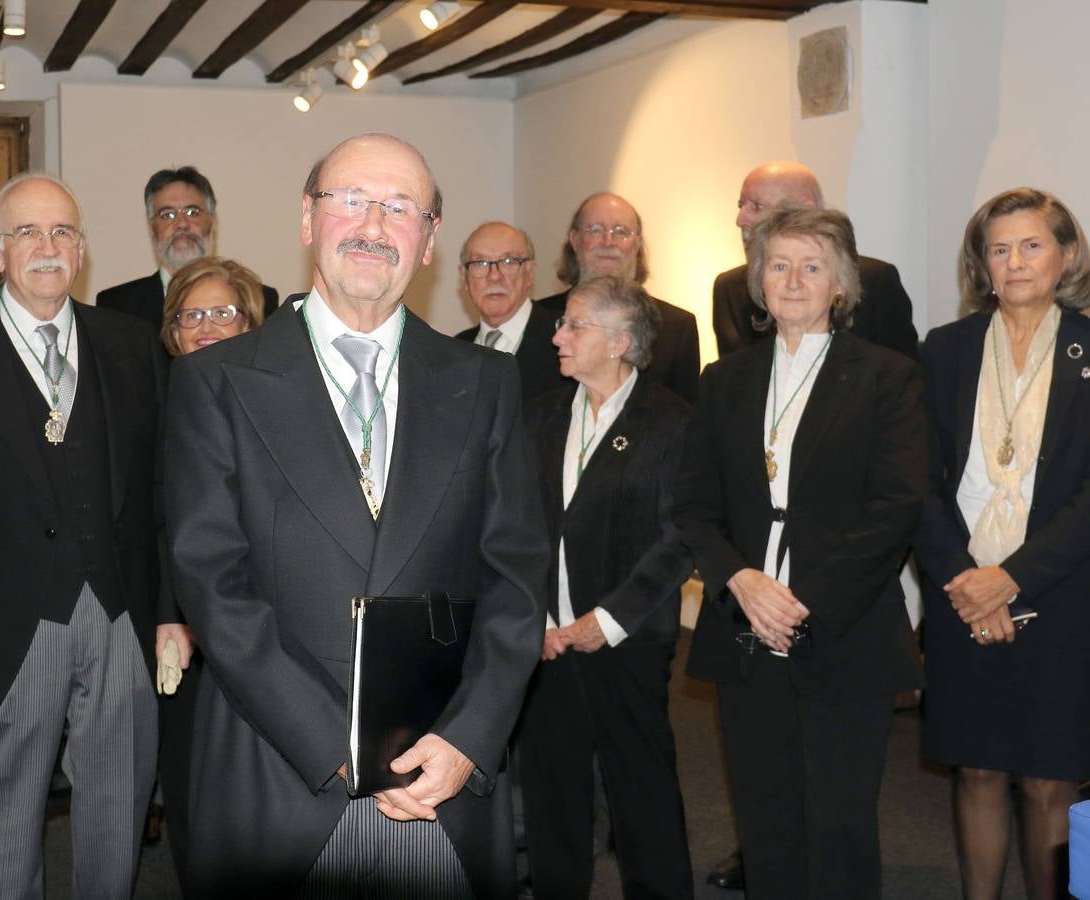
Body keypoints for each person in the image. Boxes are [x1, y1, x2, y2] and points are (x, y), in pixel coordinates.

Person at [164, 132, 549, 897]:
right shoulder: (216, 381)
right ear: (308, 220)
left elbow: (518, 578)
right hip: (280, 767)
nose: (373, 225)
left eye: (400, 207)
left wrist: (469, 738)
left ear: (429, 240)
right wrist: (337, 744)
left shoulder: (485, 382)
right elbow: (212, 582)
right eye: (350, 200)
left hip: (440, 776)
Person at [675, 205, 925, 899]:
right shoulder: (724, 381)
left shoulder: (885, 376)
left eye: (811, 266)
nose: (792, 279)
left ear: (840, 284)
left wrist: (804, 601)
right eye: (777, 265)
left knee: (840, 822)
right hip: (744, 626)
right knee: (765, 817)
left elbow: (895, 507)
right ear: (758, 281)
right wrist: (742, 583)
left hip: (844, 628)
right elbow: (693, 507)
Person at [0, 172, 162, 899]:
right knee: (0, 818)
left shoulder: (130, 342)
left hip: (121, 613)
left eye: (62, 232)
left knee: (117, 816)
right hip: (5, 620)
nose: (47, 246)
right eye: (27, 232)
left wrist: (172, 614)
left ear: (82, 251)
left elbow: (162, 485)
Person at [918, 187, 1090, 900]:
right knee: (978, 769)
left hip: (1061, 592)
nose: (1014, 261)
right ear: (980, 264)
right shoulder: (945, 349)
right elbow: (914, 480)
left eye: (1030, 245)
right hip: (961, 593)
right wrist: (967, 580)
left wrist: (1010, 579)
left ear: (1065, 255)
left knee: (1050, 780)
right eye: (998, 248)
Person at [519, 275, 694, 899]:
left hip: (627, 641)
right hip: (545, 641)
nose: (557, 336)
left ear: (620, 342)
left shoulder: (672, 422)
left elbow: (680, 538)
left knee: (641, 792)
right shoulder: (539, 415)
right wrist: (534, 617)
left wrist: (607, 620)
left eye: (573, 325)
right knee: (552, 795)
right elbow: (515, 526)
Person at [154, 252, 266, 880]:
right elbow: (150, 521)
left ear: (251, 323)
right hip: (186, 636)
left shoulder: (286, 404)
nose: (204, 327)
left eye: (223, 312)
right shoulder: (157, 404)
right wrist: (168, 614)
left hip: (271, 629)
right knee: (194, 789)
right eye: (189, 316)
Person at [713, 161, 917, 360]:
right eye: (741, 205)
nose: (740, 219)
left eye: (757, 206)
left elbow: (902, 374)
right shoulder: (729, 288)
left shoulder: (875, 281)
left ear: (805, 210)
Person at [537, 192, 699, 404]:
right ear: (574, 240)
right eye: (596, 230)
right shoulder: (540, 319)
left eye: (620, 231)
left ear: (637, 244)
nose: (608, 241)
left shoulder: (677, 326)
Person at [97, 165, 280, 330]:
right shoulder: (116, 305)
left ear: (213, 222)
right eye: (167, 215)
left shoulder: (260, 299)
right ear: (151, 227)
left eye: (192, 212)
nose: (182, 224)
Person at [454, 221, 570, 407]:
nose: (494, 276)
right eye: (480, 263)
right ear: (464, 278)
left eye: (508, 262)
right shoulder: (455, 350)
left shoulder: (565, 340)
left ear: (530, 272)